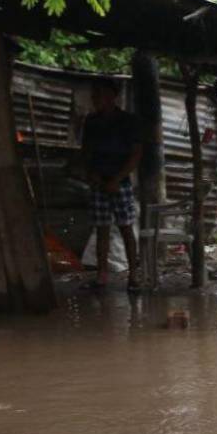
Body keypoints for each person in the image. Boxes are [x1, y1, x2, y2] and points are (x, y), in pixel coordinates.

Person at [81, 76, 142, 292]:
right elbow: (86, 152)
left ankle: (133, 275)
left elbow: (136, 154)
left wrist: (117, 179)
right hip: (99, 181)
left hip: (120, 182)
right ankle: (102, 276)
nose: (95, 98)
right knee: (102, 229)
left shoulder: (127, 121)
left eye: (100, 94)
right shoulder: (91, 121)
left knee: (126, 228)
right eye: (94, 94)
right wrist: (93, 175)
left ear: (112, 96)